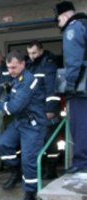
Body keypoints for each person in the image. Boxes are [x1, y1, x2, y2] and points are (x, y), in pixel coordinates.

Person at [0, 51, 47, 200]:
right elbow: (10, 97)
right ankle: (16, 172)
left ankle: (31, 197)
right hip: (20, 122)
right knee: (3, 144)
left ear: (23, 64)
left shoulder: (29, 80)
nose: (11, 71)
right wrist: (1, 101)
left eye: (14, 67)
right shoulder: (16, 79)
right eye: (8, 68)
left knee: (28, 160)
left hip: (33, 125)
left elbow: (15, 106)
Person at [54, 1, 87, 173]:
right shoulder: (84, 25)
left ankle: (81, 164)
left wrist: (70, 85)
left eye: (58, 20)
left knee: (80, 124)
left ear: (66, 16)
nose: (58, 24)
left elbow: (74, 61)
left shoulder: (72, 29)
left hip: (82, 89)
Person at [26, 40, 61, 179]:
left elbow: (51, 88)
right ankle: (40, 169)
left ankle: (51, 169)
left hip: (46, 109)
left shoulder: (49, 63)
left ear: (41, 50)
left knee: (49, 140)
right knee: (36, 140)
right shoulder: (30, 64)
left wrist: (51, 109)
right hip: (34, 110)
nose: (31, 56)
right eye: (29, 53)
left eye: (34, 52)